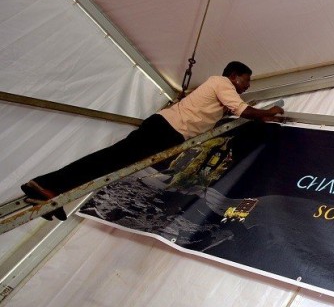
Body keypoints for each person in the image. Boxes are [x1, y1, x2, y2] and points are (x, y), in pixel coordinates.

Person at [21, 61, 283, 220]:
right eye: (246, 81)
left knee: (111, 165)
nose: (247, 86)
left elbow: (231, 108)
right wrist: (267, 113)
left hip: (167, 132)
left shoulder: (217, 92)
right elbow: (241, 109)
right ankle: (46, 184)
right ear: (235, 76)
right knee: (109, 160)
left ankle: (55, 192)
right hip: (164, 130)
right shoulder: (221, 82)